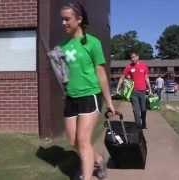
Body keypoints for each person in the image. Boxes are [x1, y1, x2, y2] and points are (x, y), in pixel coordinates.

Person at [59, 2, 115, 180]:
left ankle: (86, 175)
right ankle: (98, 159)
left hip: (90, 95)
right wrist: (55, 63)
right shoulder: (63, 46)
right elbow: (64, 75)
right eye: (62, 19)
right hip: (71, 97)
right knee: (73, 141)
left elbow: (101, 74)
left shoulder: (93, 43)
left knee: (83, 140)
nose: (63, 23)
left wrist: (110, 103)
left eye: (67, 19)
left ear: (79, 19)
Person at [116, 51, 152, 129]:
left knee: (143, 109)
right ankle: (138, 125)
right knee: (136, 110)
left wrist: (150, 89)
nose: (132, 59)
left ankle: (144, 122)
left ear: (138, 57)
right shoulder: (128, 67)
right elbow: (122, 77)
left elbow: (147, 78)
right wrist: (118, 88)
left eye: (134, 57)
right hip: (133, 92)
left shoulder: (144, 66)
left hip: (143, 91)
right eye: (131, 57)